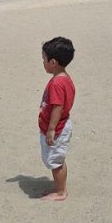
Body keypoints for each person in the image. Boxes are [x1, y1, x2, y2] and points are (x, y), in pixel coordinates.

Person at [37, 36, 76, 201]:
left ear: (53, 62)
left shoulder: (57, 83)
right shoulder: (64, 78)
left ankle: (61, 192)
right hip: (60, 125)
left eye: (44, 59)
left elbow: (58, 107)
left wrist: (51, 129)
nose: (43, 63)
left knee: (56, 161)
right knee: (56, 158)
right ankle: (60, 188)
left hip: (57, 128)